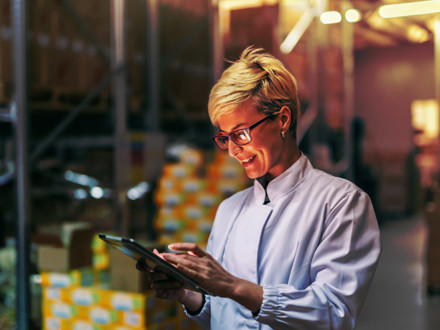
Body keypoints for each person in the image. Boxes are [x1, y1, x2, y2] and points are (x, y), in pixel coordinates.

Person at [138, 47, 381, 329]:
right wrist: (189, 295)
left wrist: (231, 285)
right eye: (225, 138)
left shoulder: (341, 203)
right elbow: (223, 314)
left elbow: (334, 314)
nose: (232, 151)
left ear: (283, 119)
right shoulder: (229, 210)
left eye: (240, 134)